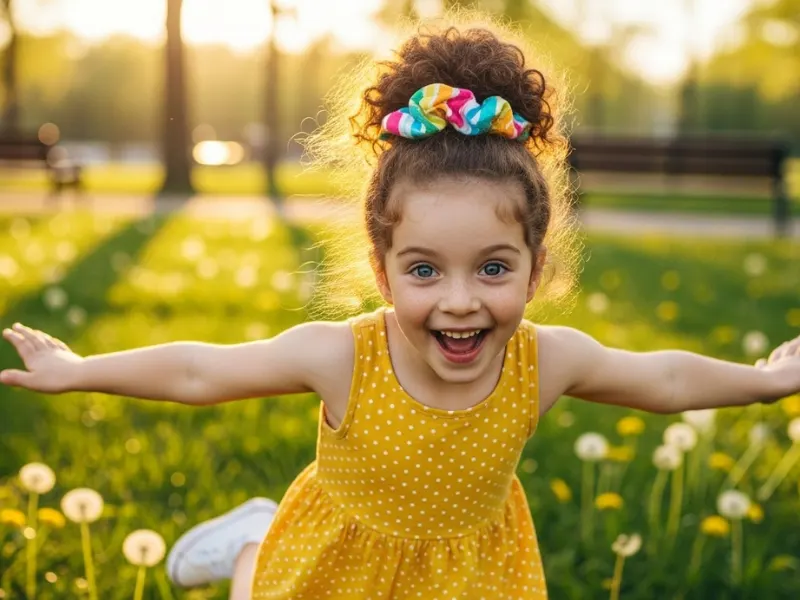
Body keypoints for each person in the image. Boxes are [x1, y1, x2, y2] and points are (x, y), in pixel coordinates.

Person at [2, 15, 799, 600]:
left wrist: (761, 380)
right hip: (333, 563)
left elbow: (659, 380)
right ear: (383, 274)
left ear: (536, 269)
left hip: (475, 574)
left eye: (493, 267)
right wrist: (78, 371)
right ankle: (253, 543)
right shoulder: (344, 355)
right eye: (424, 270)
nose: (461, 303)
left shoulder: (544, 360)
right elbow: (198, 369)